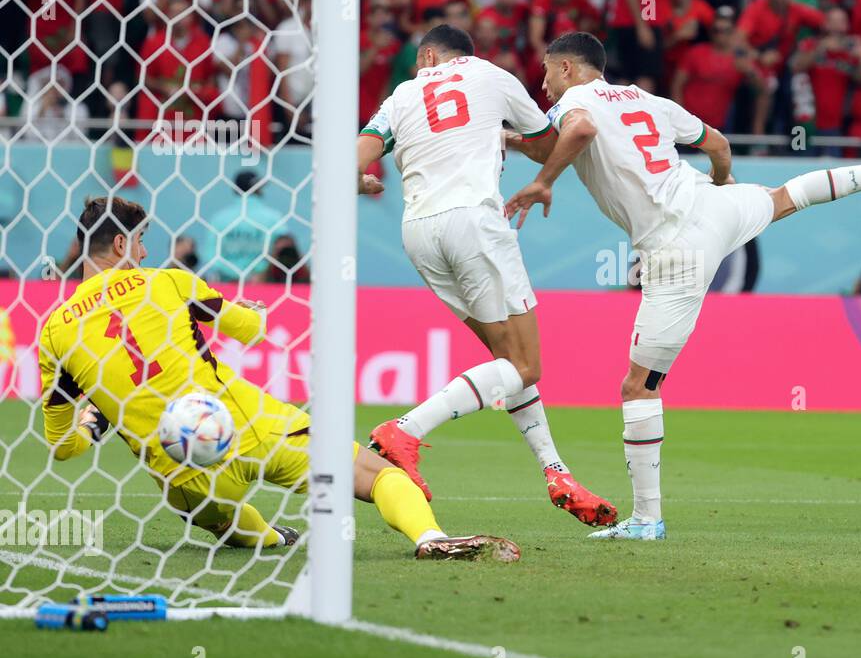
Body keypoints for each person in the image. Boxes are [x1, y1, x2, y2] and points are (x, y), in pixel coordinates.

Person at [504, 32, 861, 540]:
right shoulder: (649, 100)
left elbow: (575, 132)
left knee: (639, 385)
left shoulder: (576, 101)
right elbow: (717, 144)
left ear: (568, 68)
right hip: (712, 203)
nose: (543, 82)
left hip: (675, 246)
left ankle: (647, 519)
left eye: (547, 71)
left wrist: (544, 182)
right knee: (785, 197)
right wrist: (721, 181)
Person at [40, 197, 518, 561]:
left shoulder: (54, 332)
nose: (145, 251)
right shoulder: (165, 281)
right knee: (374, 473)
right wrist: (252, 312)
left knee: (220, 523)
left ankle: (269, 535)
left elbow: (61, 447)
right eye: (141, 240)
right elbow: (247, 330)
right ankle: (430, 538)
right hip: (247, 424)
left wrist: (90, 424)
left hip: (181, 472)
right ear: (122, 245)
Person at [356, 24, 616, 528]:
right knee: (526, 365)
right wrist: (509, 138)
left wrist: (361, 182)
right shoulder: (492, 76)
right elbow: (548, 147)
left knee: (507, 360)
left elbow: (356, 158)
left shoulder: (403, 94)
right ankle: (405, 429)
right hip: (473, 221)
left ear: (428, 55)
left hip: (419, 232)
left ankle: (556, 472)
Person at [201, 170, 292, 282]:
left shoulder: (219, 218)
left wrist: (235, 274)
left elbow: (210, 255)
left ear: (235, 189)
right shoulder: (273, 217)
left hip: (227, 285)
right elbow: (285, 248)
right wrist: (259, 272)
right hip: (263, 283)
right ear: (258, 189)